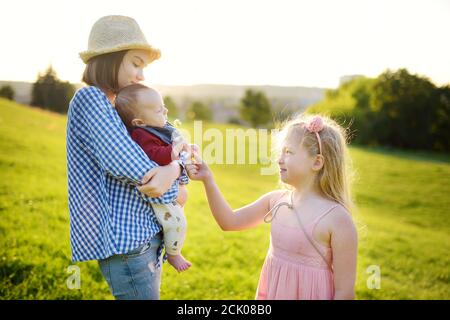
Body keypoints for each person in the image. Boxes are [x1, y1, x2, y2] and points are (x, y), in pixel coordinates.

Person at [66, 15, 186, 299]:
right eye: (136, 63)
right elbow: (141, 173)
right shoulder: (91, 99)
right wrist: (174, 180)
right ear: (110, 58)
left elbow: (176, 140)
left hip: (142, 236)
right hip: (125, 242)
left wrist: (176, 166)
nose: (142, 75)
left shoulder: (118, 107)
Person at [187, 115, 358, 300]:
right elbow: (229, 221)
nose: (279, 159)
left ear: (317, 162)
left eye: (288, 152)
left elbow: (344, 292)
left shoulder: (337, 219)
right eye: (281, 152)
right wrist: (208, 179)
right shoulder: (276, 201)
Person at [114, 84, 192, 272]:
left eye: (164, 106)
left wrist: (185, 149)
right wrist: (176, 151)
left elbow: (181, 149)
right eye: (159, 110)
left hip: (170, 188)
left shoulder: (158, 128)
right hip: (159, 193)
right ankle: (174, 254)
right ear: (140, 122)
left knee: (176, 217)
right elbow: (154, 154)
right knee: (178, 223)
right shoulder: (141, 134)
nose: (165, 111)